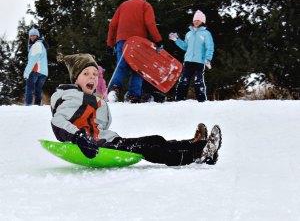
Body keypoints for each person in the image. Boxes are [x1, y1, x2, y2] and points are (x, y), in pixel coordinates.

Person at [50, 53, 222, 166]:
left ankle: (195, 145)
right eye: (86, 73)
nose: (92, 77)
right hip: (100, 145)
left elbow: (100, 125)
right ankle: (200, 152)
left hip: (108, 141)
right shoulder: (70, 96)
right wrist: (79, 138)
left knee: (155, 140)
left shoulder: (91, 99)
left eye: (95, 74)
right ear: (75, 78)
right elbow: (58, 121)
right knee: (151, 148)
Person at [106, 0, 163, 103]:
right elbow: (150, 24)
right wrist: (158, 40)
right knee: (138, 69)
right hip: (138, 42)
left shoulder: (123, 5)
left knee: (121, 65)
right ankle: (134, 95)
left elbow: (112, 24)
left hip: (122, 40)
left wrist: (110, 42)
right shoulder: (145, 5)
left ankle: (114, 90)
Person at [169, 10, 214, 102]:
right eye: (195, 20)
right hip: (188, 61)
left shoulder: (206, 34)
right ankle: (179, 100)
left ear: (202, 22)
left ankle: (201, 101)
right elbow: (185, 47)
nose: (196, 22)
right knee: (184, 80)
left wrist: (208, 58)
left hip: (199, 61)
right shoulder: (189, 34)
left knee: (198, 81)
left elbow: (210, 47)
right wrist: (176, 40)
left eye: (198, 20)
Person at [24, 28, 48, 106]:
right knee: (38, 90)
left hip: (35, 70)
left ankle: (28, 105)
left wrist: (27, 71)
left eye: (34, 35)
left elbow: (33, 59)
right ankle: (37, 106)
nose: (32, 37)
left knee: (29, 89)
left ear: (37, 36)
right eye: (31, 36)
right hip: (43, 72)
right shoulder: (42, 44)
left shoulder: (37, 44)